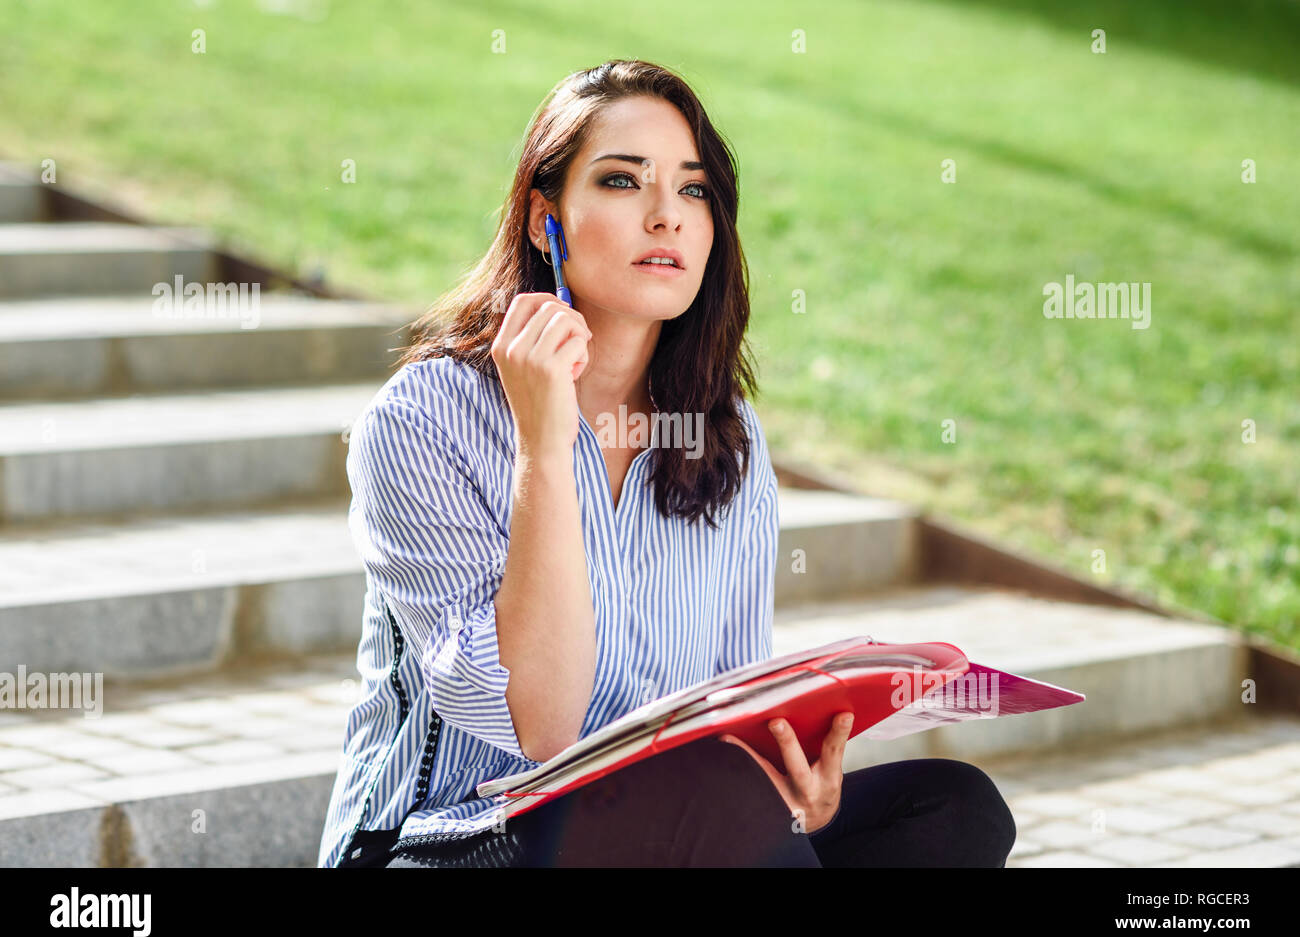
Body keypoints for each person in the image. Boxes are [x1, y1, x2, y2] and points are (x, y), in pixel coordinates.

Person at [317, 58, 1016, 869]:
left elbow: (730, 701)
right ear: (548, 218)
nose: (666, 218)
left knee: (952, 810)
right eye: (621, 182)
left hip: (668, 818)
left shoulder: (728, 434)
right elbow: (539, 720)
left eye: (692, 189)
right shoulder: (425, 419)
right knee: (705, 799)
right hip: (451, 837)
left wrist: (793, 782)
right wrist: (544, 448)